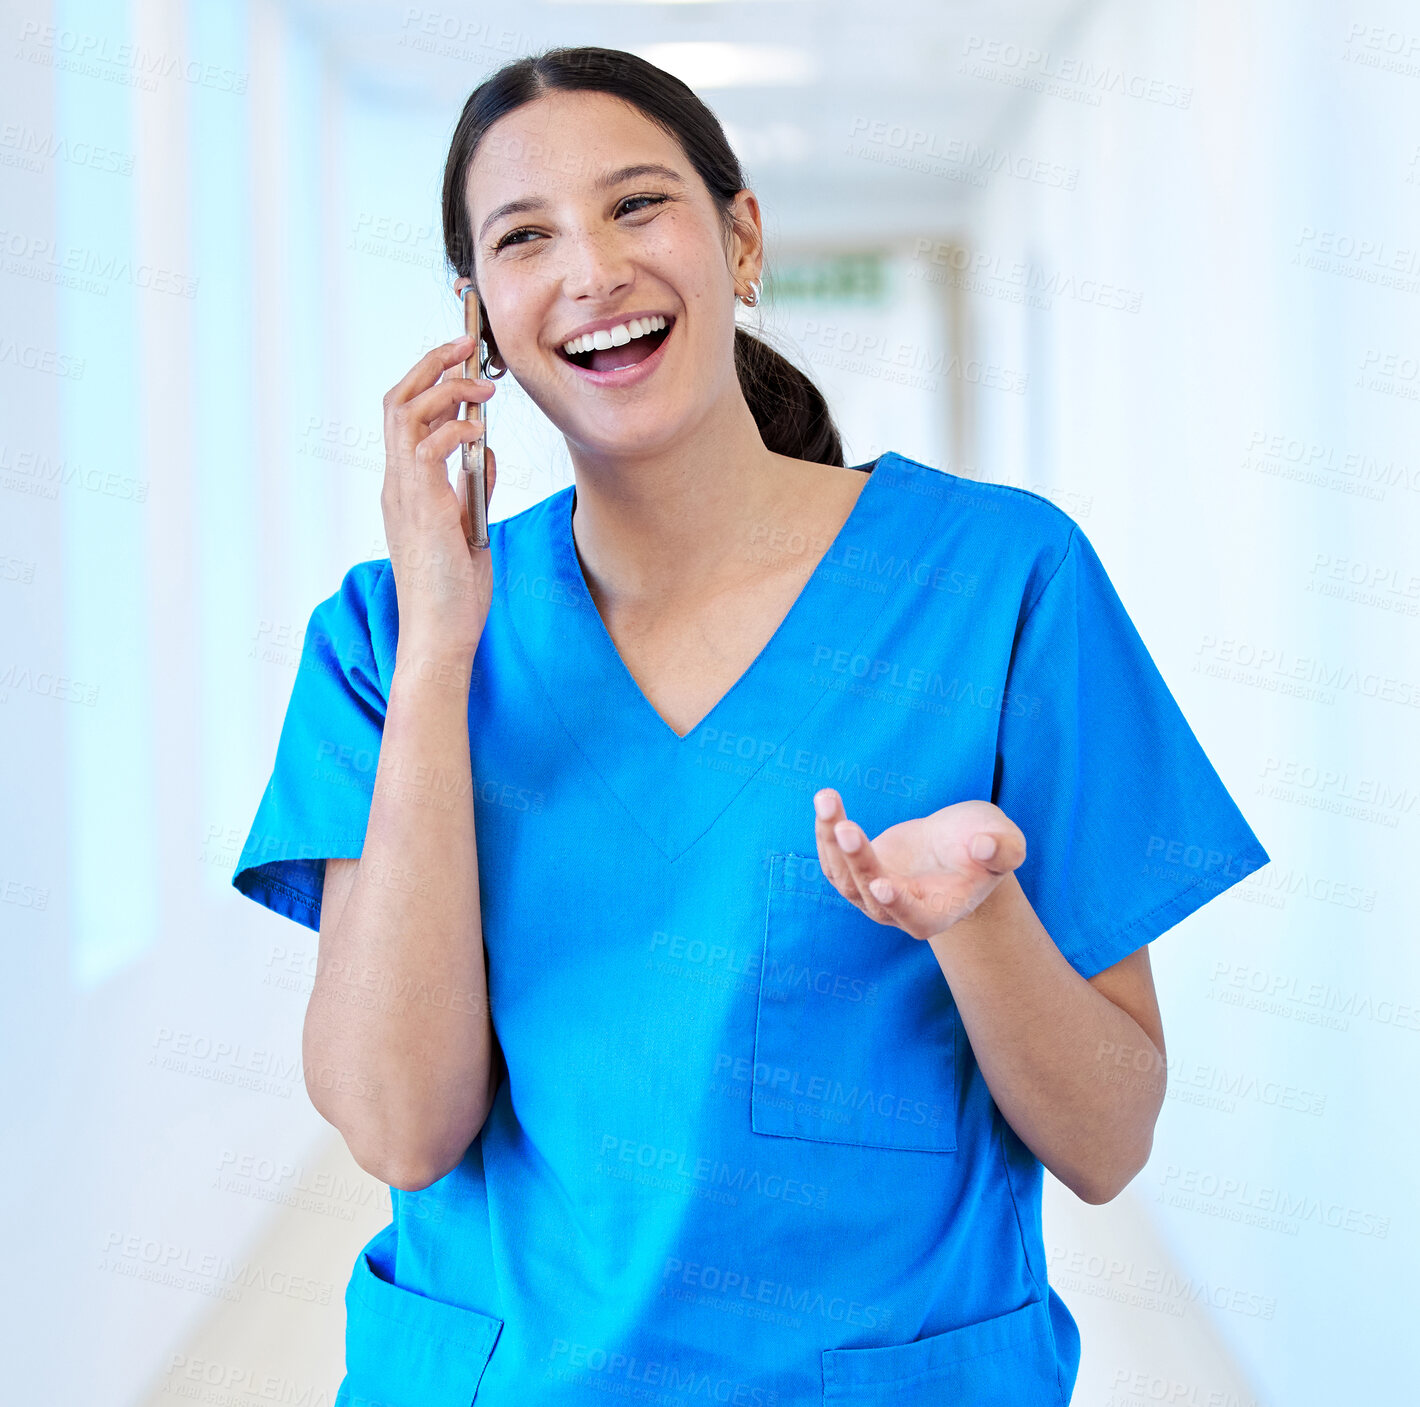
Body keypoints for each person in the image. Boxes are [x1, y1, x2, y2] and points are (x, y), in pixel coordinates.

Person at [231, 45, 1270, 1407]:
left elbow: (1109, 1139)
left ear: (740, 237)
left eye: (637, 205)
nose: (591, 269)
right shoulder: (385, 640)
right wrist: (441, 654)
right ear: (477, 315)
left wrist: (975, 922)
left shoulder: (1001, 583)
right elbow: (398, 1126)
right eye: (525, 237)